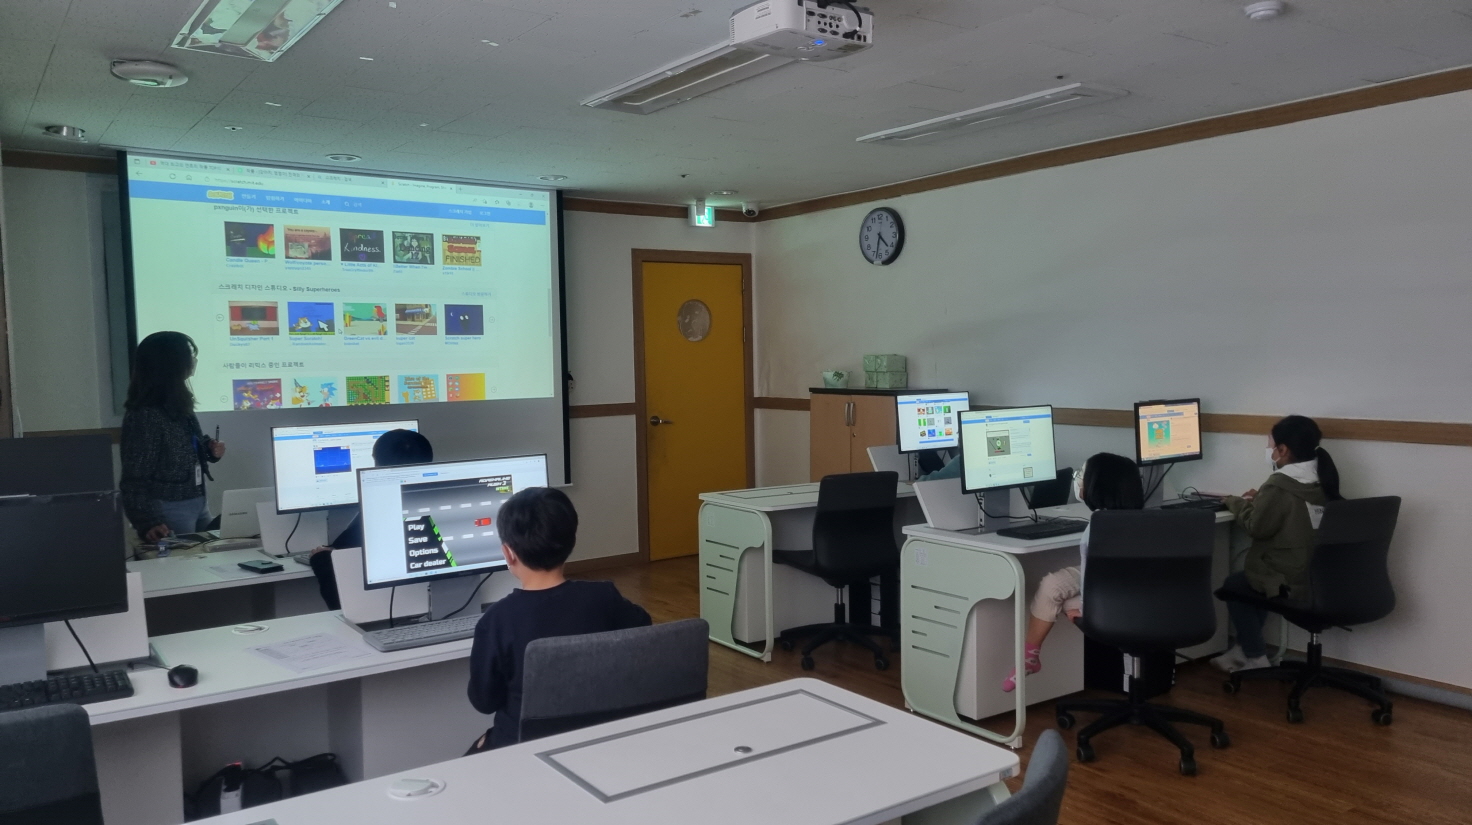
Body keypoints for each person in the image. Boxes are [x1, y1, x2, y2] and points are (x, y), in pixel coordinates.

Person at [466, 487, 651, 751]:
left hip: (520, 746)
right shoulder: (604, 597)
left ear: (508, 553)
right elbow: (643, 627)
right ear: (570, 542)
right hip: (597, 738)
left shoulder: (496, 621)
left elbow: (484, 702)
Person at [1003, 452, 1145, 692]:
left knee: (1064, 599)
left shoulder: (1098, 528)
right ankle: (1030, 658)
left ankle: (1029, 658)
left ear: (1097, 487)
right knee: (1053, 584)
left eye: (1083, 475)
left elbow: (1093, 581)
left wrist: (1086, 611)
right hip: (1134, 588)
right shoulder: (1143, 521)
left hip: (1118, 600)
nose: (1078, 480)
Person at [1211, 415, 1341, 673]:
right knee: (1254, 582)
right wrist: (1262, 499)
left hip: (1291, 580)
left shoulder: (1279, 485)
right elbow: (1293, 511)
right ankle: (1244, 648)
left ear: (1283, 450)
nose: (1269, 451)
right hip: (1320, 576)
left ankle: (1255, 656)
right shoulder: (1323, 478)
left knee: (1237, 584)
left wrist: (1234, 501)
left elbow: (1256, 528)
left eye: (1271, 446)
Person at [309, 429, 432, 610]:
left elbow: (340, 569)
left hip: (383, 609)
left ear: (378, 465)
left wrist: (321, 558)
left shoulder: (379, 511)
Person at [120, 331, 226, 541]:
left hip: (197, 500)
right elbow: (134, 478)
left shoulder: (179, 403)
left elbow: (186, 445)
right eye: (189, 356)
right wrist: (148, 521)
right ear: (171, 363)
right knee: (182, 560)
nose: (193, 361)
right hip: (168, 508)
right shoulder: (146, 415)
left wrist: (209, 448)